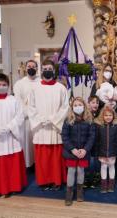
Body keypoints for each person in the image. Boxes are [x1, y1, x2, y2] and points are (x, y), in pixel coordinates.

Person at [28, 59, 69, 191]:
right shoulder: (34, 89)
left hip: (55, 128)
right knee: (42, 157)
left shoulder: (61, 88)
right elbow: (31, 107)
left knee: (56, 157)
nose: (47, 71)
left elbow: (65, 107)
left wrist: (53, 120)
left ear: (54, 70)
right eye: (44, 69)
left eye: (49, 69)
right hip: (41, 128)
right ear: (41, 71)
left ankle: (57, 181)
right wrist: (40, 120)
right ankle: (44, 181)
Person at [62, 97, 96, 206]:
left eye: (80, 105)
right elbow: (65, 137)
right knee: (71, 171)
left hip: (83, 152)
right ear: (72, 107)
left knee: (81, 171)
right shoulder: (68, 120)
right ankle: (69, 192)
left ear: (84, 106)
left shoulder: (89, 120)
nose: (78, 107)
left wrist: (85, 149)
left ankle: (80, 190)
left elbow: (92, 137)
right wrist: (72, 149)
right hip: (71, 152)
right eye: (75, 105)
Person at [13, 59, 40, 168]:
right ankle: (28, 164)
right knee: (27, 142)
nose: (31, 68)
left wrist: (37, 113)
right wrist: (29, 112)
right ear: (25, 68)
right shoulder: (19, 84)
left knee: (37, 142)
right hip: (26, 119)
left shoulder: (41, 82)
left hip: (38, 118)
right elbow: (18, 101)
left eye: (33, 66)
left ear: (37, 68)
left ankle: (38, 164)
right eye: (29, 66)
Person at [94, 106, 117, 193]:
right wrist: (96, 152)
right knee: (103, 167)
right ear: (102, 116)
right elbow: (97, 141)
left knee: (111, 166)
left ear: (113, 116)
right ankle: (103, 185)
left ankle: (111, 184)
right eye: (106, 115)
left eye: (110, 115)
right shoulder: (99, 127)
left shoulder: (116, 127)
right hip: (102, 152)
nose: (108, 117)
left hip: (112, 152)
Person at [85, 95, 101, 188]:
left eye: (97, 103)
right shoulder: (85, 114)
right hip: (87, 142)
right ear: (88, 103)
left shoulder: (100, 114)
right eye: (93, 102)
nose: (96, 104)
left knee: (96, 160)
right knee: (87, 159)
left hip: (97, 141)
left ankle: (96, 177)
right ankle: (86, 178)